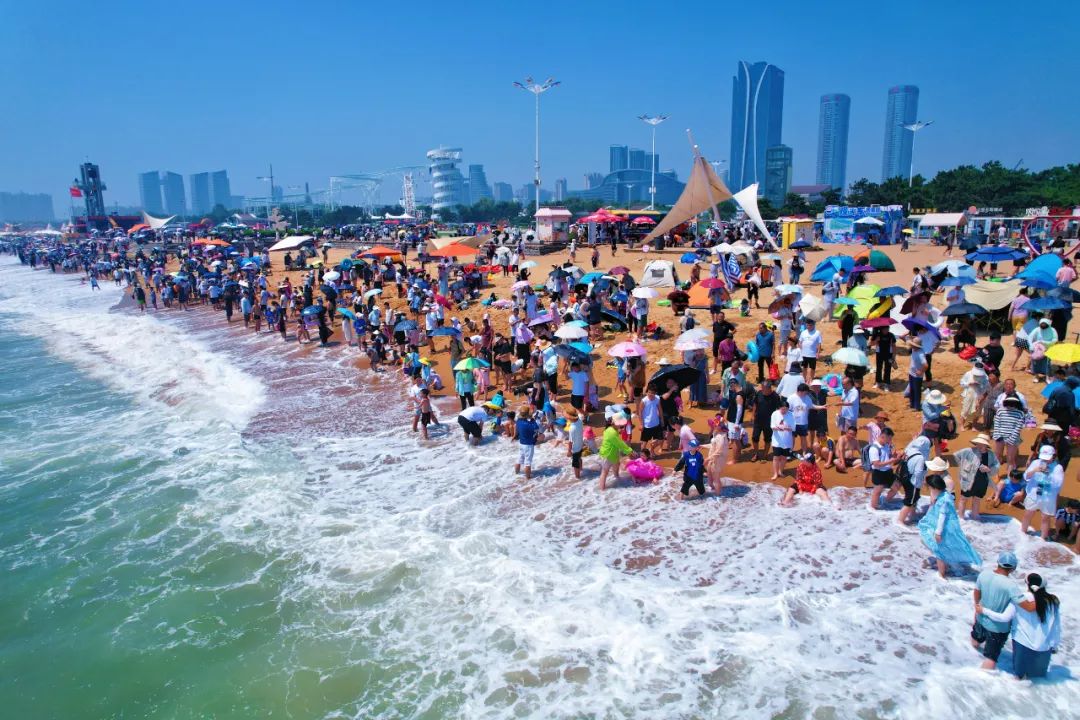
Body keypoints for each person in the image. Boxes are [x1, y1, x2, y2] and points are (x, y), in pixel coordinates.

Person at [977, 573, 1062, 679]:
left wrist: (984, 610)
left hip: (1023, 645)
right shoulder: (1053, 601)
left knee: (1020, 680)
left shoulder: (1020, 599)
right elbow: (1056, 626)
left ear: (1027, 583)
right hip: (1045, 647)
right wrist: (1054, 645)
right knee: (1039, 680)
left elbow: (1004, 618)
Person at [918, 474, 980, 578]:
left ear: (934, 487)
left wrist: (938, 532)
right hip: (946, 527)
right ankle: (953, 566)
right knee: (943, 548)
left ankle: (941, 575)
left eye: (929, 487)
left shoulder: (944, 500)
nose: (929, 489)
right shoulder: (944, 494)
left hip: (943, 529)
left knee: (939, 551)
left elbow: (942, 516)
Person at [971, 552, 1025, 671]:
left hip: (981, 618)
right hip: (998, 628)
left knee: (975, 640)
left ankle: (971, 658)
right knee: (991, 657)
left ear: (998, 563)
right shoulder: (1011, 585)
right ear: (1013, 568)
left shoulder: (984, 575)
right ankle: (982, 678)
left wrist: (977, 606)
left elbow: (976, 592)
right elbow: (1026, 606)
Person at [1021, 445, 1065, 539]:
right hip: (1034, 493)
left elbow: (1058, 484)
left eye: (1047, 458)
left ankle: (1043, 538)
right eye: (1043, 458)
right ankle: (1022, 532)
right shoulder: (1036, 462)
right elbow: (1026, 476)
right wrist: (1034, 471)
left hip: (1048, 497)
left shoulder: (1058, 468)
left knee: (1045, 517)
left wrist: (1048, 474)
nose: (1045, 460)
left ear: (1053, 456)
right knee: (1028, 513)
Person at [955, 434, 1000, 521]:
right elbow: (957, 455)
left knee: (977, 499)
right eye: (978, 443)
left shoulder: (991, 454)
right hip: (968, 480)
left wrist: (989, 469)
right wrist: (964, 466)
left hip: (982, 481)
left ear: (986, 445)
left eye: (981, 444)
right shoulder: (969, 451)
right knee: (963, 498)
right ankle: (961, 517)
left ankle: (975, 516)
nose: (979, 446)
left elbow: (997, 465)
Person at [896, 436, 931, 525]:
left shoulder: (910, 450)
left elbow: (910, 445)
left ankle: (912, 514)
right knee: (909, 502)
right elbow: (918, 472)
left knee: (914, 498)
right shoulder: (920, 458)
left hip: (905, 478)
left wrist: (914, 439)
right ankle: (900, 520)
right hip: (913, 482)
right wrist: (918, 484)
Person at [750, 380, 782, 462]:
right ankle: (756, 454)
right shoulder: (759, 393)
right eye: (762, 388)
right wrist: (753, 415)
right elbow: (755, 404)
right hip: (758, 420)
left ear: (769, 388)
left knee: (767, 439)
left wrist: (778, 420)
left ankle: (765, 455)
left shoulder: (775, 396)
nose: (762, 390)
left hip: (769, 421)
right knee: (755, 437)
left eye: (764, 388)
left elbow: (779, 409)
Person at [598, 416, 633, 491]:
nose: (621, 425)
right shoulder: (611, 432)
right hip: (607, 455)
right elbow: (620, 444)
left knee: (617, 465)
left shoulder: (612, 429)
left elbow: (617, 440)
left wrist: (619, 431)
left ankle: (617, 478)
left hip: (613, 453)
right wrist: (630, 451)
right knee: (605, 472)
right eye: (620, 424)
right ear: (613, 423)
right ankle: (602, 490)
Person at [867, 427, 900, 510]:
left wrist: (893, 456)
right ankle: (873, 509)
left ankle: (885, 502)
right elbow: (876, 464)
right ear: (883, 436)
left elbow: (887, 456)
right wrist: (890, 461)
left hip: (888, 471)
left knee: (896, 486)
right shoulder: (874, 448)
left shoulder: (886, 445)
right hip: (879, 473)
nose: (890, 441)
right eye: (889, 438)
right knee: (877, 492)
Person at [769, 398, 795, 480]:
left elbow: (793, 427)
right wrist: (778, 428)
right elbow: (772, 426)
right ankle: (775, 473)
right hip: (777, 440)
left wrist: (787, 428)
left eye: (786, 409)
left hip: (787, 440)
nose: (784, 411)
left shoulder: (791, 415)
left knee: (784, 457)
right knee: (776, 457)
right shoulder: (774, 414)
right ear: (779, 408)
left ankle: (781, 471)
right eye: (782, 409)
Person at [514, 406, 541, 480]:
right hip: (528, 445)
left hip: (521, 443)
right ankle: (528, 478)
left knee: (519, 459)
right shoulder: (530, 424)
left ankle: (516, 474)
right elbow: (536, 428)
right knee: (527, 463)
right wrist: (532, 419)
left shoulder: (519, 421)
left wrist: (530, 418)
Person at [565, 407, 585, 480]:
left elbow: (570, 442)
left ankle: (578, 477)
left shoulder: (572, 428)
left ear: (569, 417)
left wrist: (569, 451)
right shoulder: (579, 420)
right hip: (580, 444)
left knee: (575, 464)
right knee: (579, 458)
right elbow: (580, 414)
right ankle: (581, 469)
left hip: (575, 449)